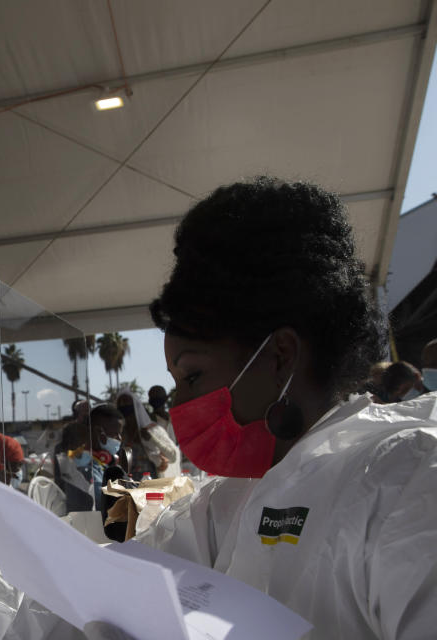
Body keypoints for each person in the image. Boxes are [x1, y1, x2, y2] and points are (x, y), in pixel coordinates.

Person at [141, 177, 437, 639]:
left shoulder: (407, 479)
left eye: (192, 375)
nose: (179, 404)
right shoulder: (228, 504)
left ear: (279, 355)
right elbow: (108, 583)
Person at [115, 390, 178, 480]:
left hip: (151, 481)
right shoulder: (117, 434)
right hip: (128, 483)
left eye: (126, 402)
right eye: (120, 404)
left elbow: (172, 456)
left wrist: (152, 439)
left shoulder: (152, 429)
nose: (123, 406)